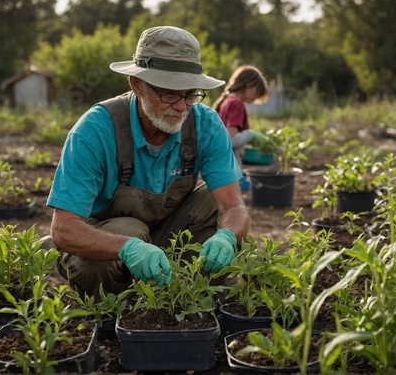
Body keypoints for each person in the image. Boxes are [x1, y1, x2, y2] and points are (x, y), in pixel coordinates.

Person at [46, 26, 250, 299]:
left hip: (169, 229)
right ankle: (119, 314)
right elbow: (63, 228)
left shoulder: (205, 124)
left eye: (191, 94)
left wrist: (227, 236)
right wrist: (128, 247)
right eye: (169, 93)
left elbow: (233, 205)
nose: (181, 106)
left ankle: (193, 302)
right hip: (109, 235)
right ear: (136, 85)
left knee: (217, 208)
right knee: (126, 234)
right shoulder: (95, 131)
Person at [212, 65, 269, 191]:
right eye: (257, 90)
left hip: (219, 168)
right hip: (229, 170)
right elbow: (229, 140)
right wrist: (251, 134)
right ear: (248, 85)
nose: (256, 96)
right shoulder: (236, 103)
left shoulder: (227, 101)